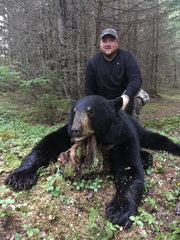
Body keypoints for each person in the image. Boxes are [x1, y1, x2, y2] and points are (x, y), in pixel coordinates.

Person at [85, 28, 149, 121]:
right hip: (103, 101)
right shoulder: (93, 63)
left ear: (117, 42)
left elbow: (136, 79)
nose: (108, 44)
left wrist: (126, 97)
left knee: (139, 96)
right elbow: (89, 91)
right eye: (104, 41)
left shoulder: (127, 57)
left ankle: (133, 125)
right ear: (100, 43)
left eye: (111, 40)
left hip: (124, 97)